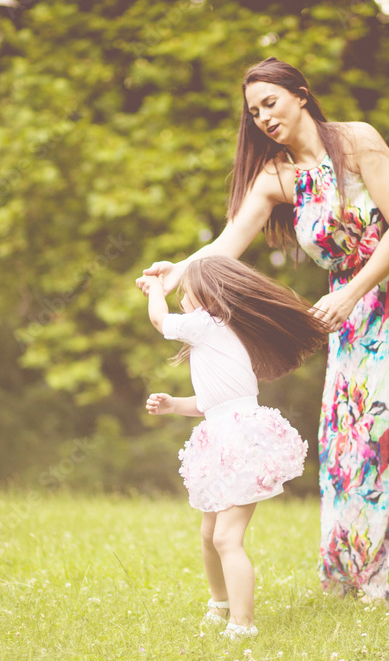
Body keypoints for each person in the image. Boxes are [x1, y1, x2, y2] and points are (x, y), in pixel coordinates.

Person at [144, 57, 389, 604]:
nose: (264, 117)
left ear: (301, 94)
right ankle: (361, 574)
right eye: (254, 112)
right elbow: (225, 243)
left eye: (271, 102)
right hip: (349, 308)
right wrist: (175, 273)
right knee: (356, 433)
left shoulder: (358, 142)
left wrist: (350, 293)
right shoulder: (278, 177)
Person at [136, 255, 327, 638]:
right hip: (225, 440)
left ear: (207, 295)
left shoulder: (208, 324)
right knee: (209, 535)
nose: (181, 296)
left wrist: (156, 288)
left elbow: (159, 321)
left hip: (242, 445)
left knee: (225, 538)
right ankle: (220, 604)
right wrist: (174, 405)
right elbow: (212, 403)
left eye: (185, 290)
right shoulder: (218, 332)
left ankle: (243, 625)